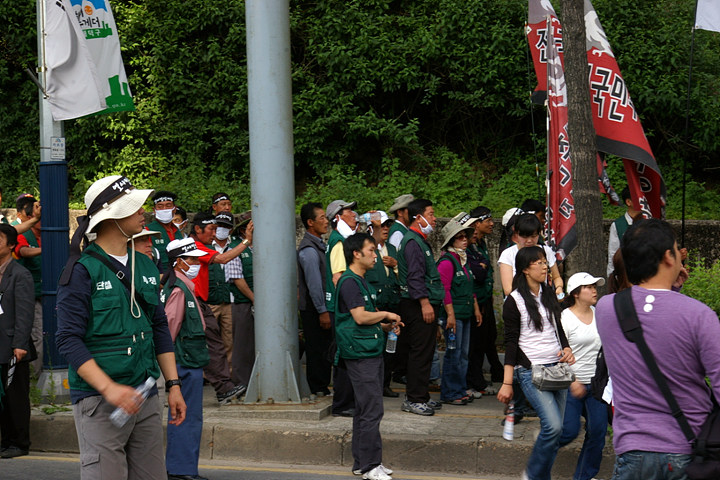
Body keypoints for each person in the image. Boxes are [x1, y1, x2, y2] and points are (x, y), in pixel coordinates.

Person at [56, 175, 186, 479]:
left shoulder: (146, 264)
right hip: (98, 400)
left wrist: (173, 385)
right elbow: (68, 339)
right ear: (112, 217)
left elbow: (159, 327)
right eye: (134, 207)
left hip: (145, 394)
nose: (143, 212)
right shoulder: (82, 271)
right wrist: (108, 388)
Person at [596, 219, 720, 479]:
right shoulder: (699, 315)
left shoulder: (607, 309)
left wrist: (671, 287)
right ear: (668, 257)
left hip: (632, 449)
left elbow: (649, 313)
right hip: (687, 448)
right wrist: (674, 290)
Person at [497, 246, 575, 480]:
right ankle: (531, 474)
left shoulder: (547, 292)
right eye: (538, 263)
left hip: (557, 368)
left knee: (557, 430)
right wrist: (507, 383)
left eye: (544, 262)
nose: (545, 267)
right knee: (553, 427)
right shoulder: (514, 300)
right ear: (525, 269)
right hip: (531, 371)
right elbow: (511, 344)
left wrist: (567, 348)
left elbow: (557, 326)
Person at [334, 233, 401, 480]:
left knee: (364, 408)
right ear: (356, 254)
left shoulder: (360, 281)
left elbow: (363, 320)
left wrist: (384, 327)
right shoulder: (350, 282)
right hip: (361, 354)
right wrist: (386, 314)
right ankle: (371, 465)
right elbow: (360, 317)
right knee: (372, 409)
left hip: (368, 349)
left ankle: (362, 463)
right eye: (371, 250)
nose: (376, 255)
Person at [188, 212, 252, 404]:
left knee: (215, 344)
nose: (214, 233)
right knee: (210, 346)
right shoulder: (193, 246)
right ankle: (223, 388)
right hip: (193, 302)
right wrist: (247, 241)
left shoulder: (197, 245)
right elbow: (223, 259)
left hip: (201, 301)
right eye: (211, 229)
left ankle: (225, 386)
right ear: (197, 229)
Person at [161, 238, 211, 480]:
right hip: (183, 363)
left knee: (187, 415)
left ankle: (181, 467)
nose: (197, 263)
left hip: (188, 361)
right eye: (192, 259)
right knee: (186, 415)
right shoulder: (179, 290)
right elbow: (168, 331)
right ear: (179, 262)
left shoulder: (183, 287)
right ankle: (181, 469)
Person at [558, 272, 608, 480]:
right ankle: (545, 442)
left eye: (595, 286)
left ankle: (584, 476)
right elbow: (557, 353)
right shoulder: (564, 318)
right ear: (576, 293)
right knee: (569, 431)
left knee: (598, 432)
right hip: (571, 384)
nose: (594, 290)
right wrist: (573, 381)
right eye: (589, 287)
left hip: (596, 385)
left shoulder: (600, 314)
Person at [396, 198, 444, 416]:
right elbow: (415, 277)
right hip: (417, 304)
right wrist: (425, 303)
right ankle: (414, 399)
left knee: (425, 351)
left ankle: (421, 395)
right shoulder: (413, 242)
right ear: (418, 217)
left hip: (422, 302)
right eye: (431, 214)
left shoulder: (419, 241)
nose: (434, 219)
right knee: (420, 352)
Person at [437, 213, 482, 406]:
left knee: (463, 355)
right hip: (454, 316)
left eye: (466, 236)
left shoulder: (463, 260)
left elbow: (470, 288)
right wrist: (450, 316)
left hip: (465, 314)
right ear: (451, 241)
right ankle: (450, 392)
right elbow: (444, 290)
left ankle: (460, 388)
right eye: (460, 237)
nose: (465, 240)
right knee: (453, 354)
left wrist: (476, 309)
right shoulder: (447, 262)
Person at [0, 224, 36, 459]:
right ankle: (6, 441)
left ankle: (19, 443)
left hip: (13, 347)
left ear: (11, 245)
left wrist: (20, 344)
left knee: (16, 397)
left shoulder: (20, 274)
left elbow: (24, 313)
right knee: (3, 397)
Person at [465, 206, 503, 396]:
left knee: (486, 338)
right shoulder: (468, 244)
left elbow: (485, 269)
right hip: (474, 300)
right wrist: (482, 267)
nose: (492, 224)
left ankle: (478, 379)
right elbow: (477, 274)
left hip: (485, 298)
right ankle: (472, 380)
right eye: (488, 220)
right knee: (474, 343)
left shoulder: (481, 243)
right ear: (477, 223)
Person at [325, 199, 359, 417]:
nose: (354, 215)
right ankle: (342, 403)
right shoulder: (338, 242)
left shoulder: (342, 240)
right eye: (349, 211)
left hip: (343, 307)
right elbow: (338, 277)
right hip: (343, 309)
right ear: (338, 217)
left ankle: (347, 401)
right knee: (343, 355)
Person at [363, 211, 400, 398]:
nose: (385, 229)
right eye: (382, 226)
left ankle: (385, 383)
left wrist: (395, 265)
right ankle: (374, 383)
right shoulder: (367, 249)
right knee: (375, 344)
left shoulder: (392, 249)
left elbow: (402, 275)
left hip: (392, 302)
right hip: (375, 304)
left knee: (391, 346)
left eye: (387, 226)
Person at [297, 203, 332, 397]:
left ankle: (321, 386)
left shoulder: (320, 245)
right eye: (322, 218)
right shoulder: (309, 250)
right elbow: (314, 285)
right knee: (317, 350)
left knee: (324, 348)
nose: (326, 221)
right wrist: (322, 311)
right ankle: (318, 388)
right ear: (310, 222)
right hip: (314, 309)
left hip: (321, 307)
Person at [498, 213, 563, 297]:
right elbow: (508, 289)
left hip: (544, 299)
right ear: (516, 234)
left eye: (533, 236)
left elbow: (556, 277)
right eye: (524, 237)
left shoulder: (546, 251)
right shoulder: (508, 254)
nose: (529, 241)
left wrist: (559, 288)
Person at [227, 211, 255, 389]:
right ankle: (241, 383)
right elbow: (238, 280)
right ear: (245, 230)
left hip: (259, 303)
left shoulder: (260, 247)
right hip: (242, 303)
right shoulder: (235, 249)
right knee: (243, 344)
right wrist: (255, 299)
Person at [13, 210, 43, 376]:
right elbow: (23, 251)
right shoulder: (23, 236)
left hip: (44, 292)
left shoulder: (46, 235)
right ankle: (37, 375)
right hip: (30, 294)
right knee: (37, 334)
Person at [206, 211, 238, 361]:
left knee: (229, 340)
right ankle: (209, 371)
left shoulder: (235, 246)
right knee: (208, 338)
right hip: (210, 301)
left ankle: (229, 370)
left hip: (230, 301)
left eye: (225, 226)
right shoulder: (206, 246)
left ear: (230, 229)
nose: (221, 229)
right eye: (218, 225)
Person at [147, 191, 184, 272]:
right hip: (160, 275)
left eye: (168, 206)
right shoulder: (148, 230)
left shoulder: (177, 230)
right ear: (154, 210)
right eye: (160, 206)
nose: (164, 209)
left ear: (174, 209)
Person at [606, 186, 640, 276]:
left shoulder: (649, 222)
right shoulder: (618, 225)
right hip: (625, 274)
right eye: (638, 197)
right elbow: (613, 254)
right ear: (628, 202)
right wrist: (611, 276)